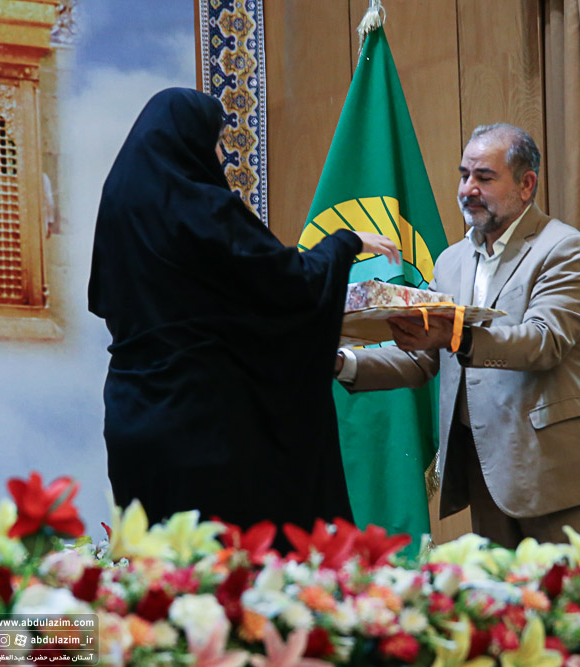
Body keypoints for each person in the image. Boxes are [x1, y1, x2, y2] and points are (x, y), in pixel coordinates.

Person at [88, 87, 399, 545]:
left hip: (130, 418)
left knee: (158, 571)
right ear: (189, 142)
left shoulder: (116, 208)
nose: (221, 156)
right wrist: (343, 243)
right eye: (215, 142)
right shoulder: (201, 207)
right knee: (220, 572)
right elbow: (289, 286)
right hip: (203, 423)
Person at [336, 123, 580, 548]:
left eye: (484, 177)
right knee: (498, 591)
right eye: (464, 175)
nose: (468, 189)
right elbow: (421, 359)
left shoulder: (565, 248)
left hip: (554, 469)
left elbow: (544, 341)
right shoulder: (450, 261)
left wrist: (458, 337)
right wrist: (341, 362)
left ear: (526, 185)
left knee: (570, 590)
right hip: (482, 469)